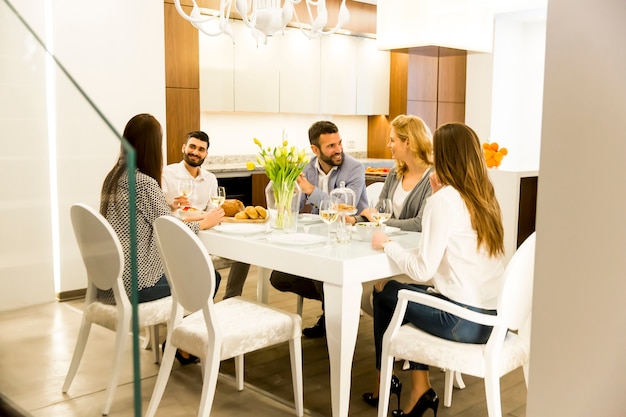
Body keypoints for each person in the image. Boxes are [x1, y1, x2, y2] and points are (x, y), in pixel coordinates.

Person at [362, 122, 506, 417]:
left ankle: (390, 383)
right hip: (492, 321)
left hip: (461, 321)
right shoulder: (484, 197)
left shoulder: (444, 201)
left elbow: (421, 269)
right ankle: (417, 388)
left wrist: (387, 244)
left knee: (384, 291)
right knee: (409, 296)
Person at [99, 114, 224, 364]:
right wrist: (204, 222)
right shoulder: (144, 183)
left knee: (195, 274)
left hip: (109, 283)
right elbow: (169, 231)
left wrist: (167, 203)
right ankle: (181, 345)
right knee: (210, 276)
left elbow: (149, 217)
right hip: (135, 285)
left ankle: (180, 342)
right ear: (153, 145)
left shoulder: (114, 178)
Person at [270, 120, 368, 338]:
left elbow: (345, 208)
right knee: (278, 277)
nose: (338, 149)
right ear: (315, 150)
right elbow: (297, 206)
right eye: (331, 146)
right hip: (316, 238)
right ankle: (336, 299)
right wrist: (290, 191)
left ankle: (331, 316)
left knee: (321, 273)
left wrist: (311, 190)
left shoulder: (354, 168)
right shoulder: (307, 168)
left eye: (339, 143)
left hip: (349, 237)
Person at [346, 114, 435, 316]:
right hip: (388, 247)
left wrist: (380, 222)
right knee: (354, 284)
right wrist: (354, 219)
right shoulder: (395, 173)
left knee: (366, 289)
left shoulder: (433, 177)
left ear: (409, 142)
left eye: (393, 139)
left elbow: (420, 224)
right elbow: (377, 213)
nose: (389, 144)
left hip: (413, 257)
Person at [161, 130, 250, 299]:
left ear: (206, 154)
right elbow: (160, 211)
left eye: (201, 149)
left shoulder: (210, 179)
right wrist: (172, 204)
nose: (195, 152)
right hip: (179, 234)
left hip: (204, 231)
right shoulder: (168, 173)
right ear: (183, 148)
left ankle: (231, 298)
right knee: (207, 274)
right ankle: (194, 305)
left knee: (244, 251)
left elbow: (211, 211)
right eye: (192, 147)